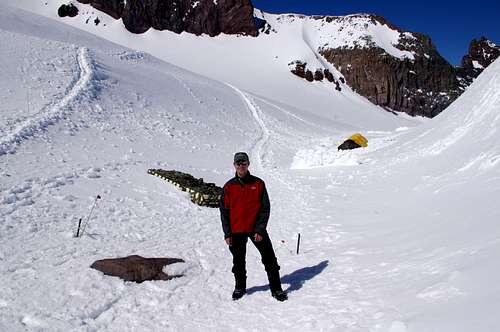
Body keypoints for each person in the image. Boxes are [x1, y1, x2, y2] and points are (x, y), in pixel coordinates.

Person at [220, 152, 287, 301]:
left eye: (243, 163)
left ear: (248, 164)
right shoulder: (229, 187)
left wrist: (260, 229)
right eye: (238, 163)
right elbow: (224, 212)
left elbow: (265, 208)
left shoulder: (258, 183)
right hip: (236, 231)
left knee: (269, 259)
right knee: (238, 261)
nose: (241, 166)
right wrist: (227, 233)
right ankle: (239, 287)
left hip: (256, 229)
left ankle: (277, 289)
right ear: (234, 165)